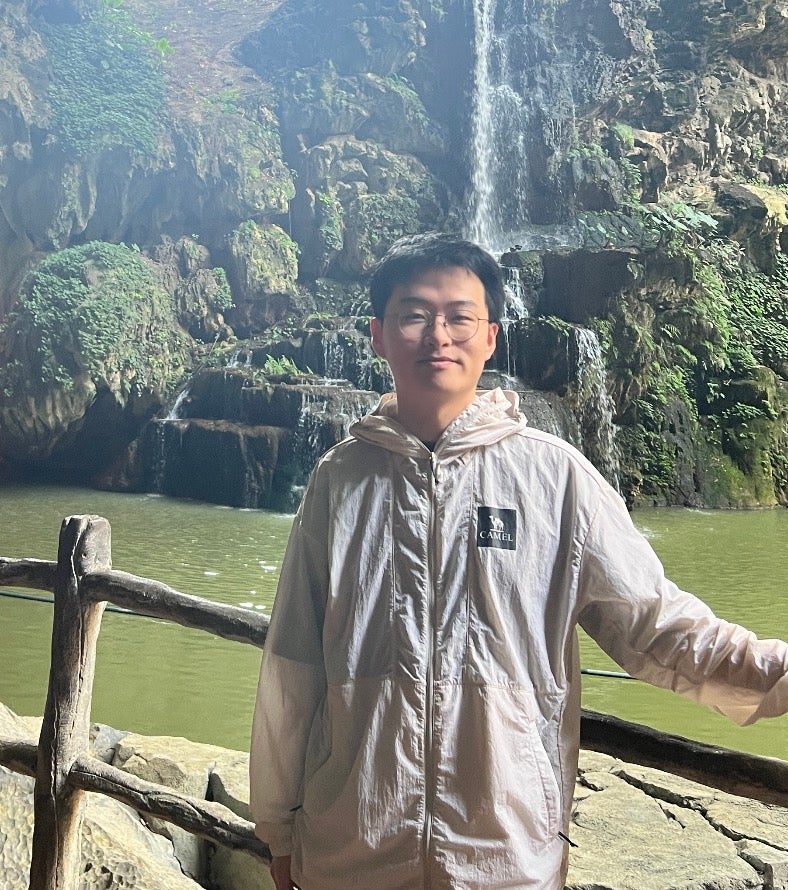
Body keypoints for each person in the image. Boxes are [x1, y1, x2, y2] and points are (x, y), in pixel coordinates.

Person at [249, 233, 788, 890]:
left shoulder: (555, 478)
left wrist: (776, 674)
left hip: (504, 855)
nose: (436, 335)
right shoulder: (339, 481)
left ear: (490, 338)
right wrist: (277, 827)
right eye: (413, 314)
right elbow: (293, 663)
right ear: (379, 337)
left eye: (459, 317)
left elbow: (655, 627)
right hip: (352, 849)